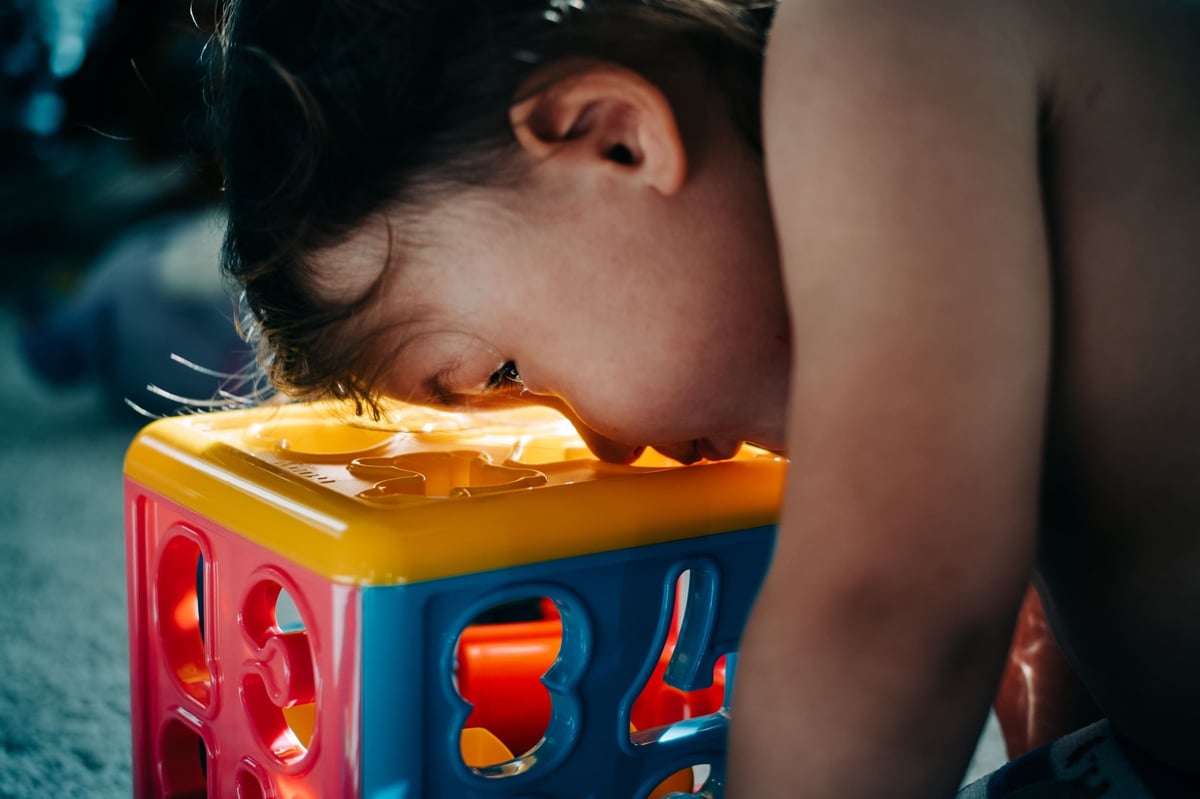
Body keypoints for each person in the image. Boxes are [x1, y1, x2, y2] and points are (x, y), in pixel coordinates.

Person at [209, 0, 1200, 796]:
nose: (601, 446)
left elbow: (886, 603)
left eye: (509, 375)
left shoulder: (883, 39)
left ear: (614, 137)